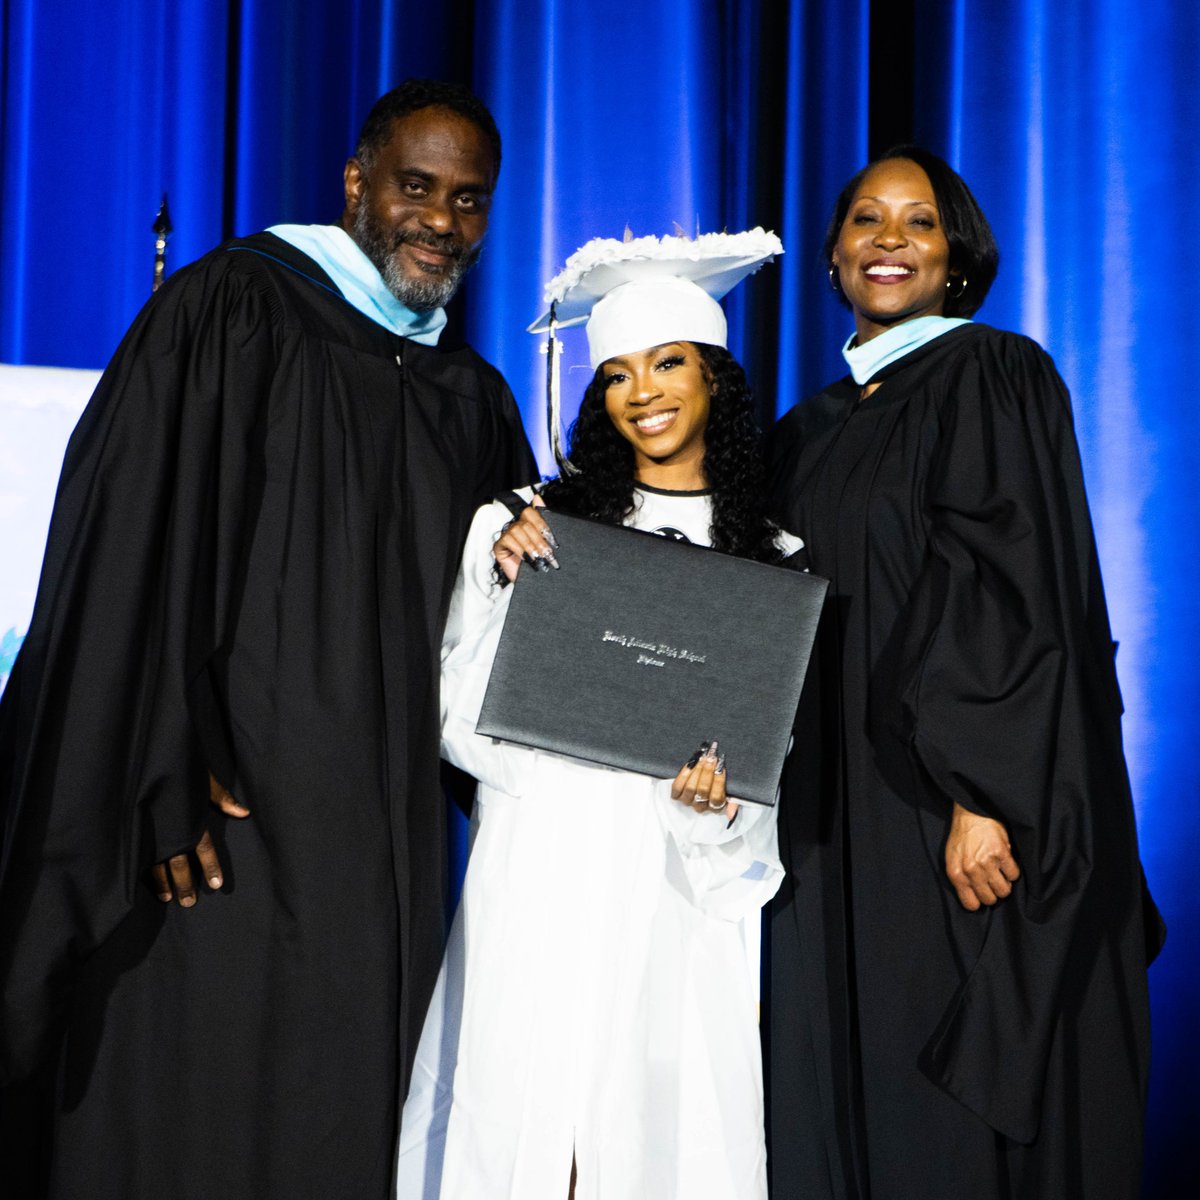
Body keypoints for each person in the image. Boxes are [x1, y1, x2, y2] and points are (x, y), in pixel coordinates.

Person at [0, 80, 535, 1199]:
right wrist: (155, 769)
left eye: (468, 201)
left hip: (375, 840)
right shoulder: (232, 310)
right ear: (357, 183)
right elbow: (125, 553)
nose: (439, 220)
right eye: (416, 187)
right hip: (216, 814)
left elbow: (495, 643)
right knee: (184, 1099)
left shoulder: (471, 400)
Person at [764, 146, 1163, 1199]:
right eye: (866, 221)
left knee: (933, 1105)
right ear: (836, 253)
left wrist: (984, 794)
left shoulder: (990, 373)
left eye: (919, 222)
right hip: (824, 808)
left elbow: (1011, 593)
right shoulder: (806, 429)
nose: (889, 239)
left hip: (939, 808)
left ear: (959, 256)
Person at [394, 231, 798, 1199]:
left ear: (715, 381)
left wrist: (714, 810)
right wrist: (506, 595)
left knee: (660, 1136)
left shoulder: (769, 560)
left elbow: (759, 784)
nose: (642, 392)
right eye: (615, 374)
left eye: (667, 364)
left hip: (671, 893)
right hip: (542, 865)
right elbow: (456, 720)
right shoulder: (528, 524)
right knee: (522, 1126)